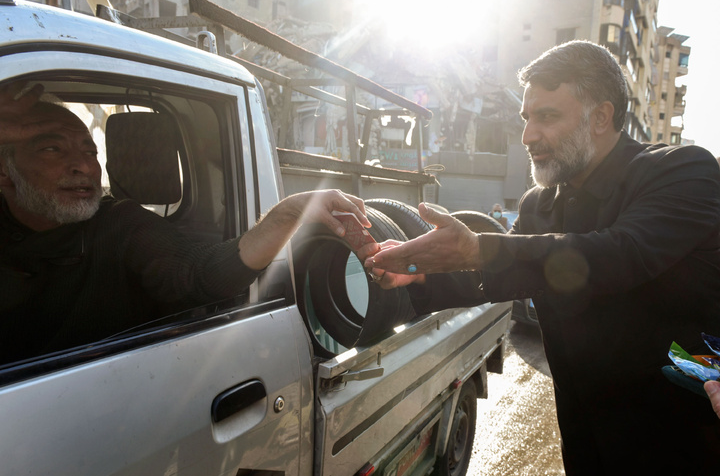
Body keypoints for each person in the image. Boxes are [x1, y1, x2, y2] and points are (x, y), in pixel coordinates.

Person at [361, 41, 720, 473]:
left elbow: (620, 253)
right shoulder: (539, 204)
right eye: (527, 118)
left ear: (601, 117)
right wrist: (418, 274)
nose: (529, 136)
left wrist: (479, 247)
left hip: (684, 448)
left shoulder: (683, 172)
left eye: (547, 117)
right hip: (586, 444)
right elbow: (501, 275)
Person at [0, 82, 370, 364]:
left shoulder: (119, 225)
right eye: (52, 148)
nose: (83, 166)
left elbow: (199, 274)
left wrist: (288, 213)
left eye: (89, 150)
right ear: (5, 172)